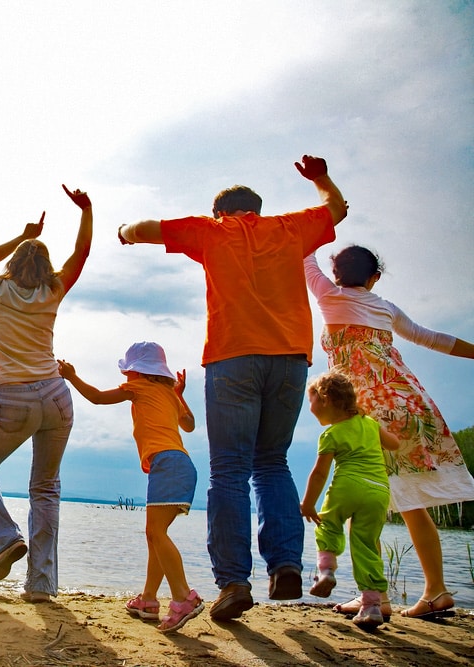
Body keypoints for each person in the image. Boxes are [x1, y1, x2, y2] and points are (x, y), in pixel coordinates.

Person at [117, 155, 347, 620]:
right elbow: (337, 208)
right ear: (257, 210)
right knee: (272, 462)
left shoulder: (211, 230)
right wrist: (320, 178)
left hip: (231, 357)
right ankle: (284, 565)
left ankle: (234, 582)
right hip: (290, 360)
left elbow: (144, 229)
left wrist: (123, 231)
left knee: (228, 470)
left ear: (222, 212)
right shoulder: (290, 227)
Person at [304, 245, 474, 620]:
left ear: (336, 276)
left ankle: (376, 596)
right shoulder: (385, 307)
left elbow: (304, 255)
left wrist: (322, 209)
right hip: (410, 404)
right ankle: (436, 590)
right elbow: (433, 339)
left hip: (370, 410)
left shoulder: (328, 294)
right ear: (374, 278)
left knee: (361, 499)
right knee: (411, 503)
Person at [0, 184, 92, 604]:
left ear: (15, 262)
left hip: (13, 399)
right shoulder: (52, 292)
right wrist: (86, 211)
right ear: (45, 268)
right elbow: (82, 255)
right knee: (45, 488)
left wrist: (23, 234)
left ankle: (4, 540)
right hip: (56, 395)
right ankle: (40, 586)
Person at [58, 343, 203, 633]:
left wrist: (72, 376)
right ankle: (148, 600)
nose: (126, 374)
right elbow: (189, 425)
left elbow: (98, 398)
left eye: (128, 370)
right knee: (155, 537)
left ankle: (184, 597)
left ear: (137, 370)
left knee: (155, 533)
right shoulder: (167, 393)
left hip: (167, 464)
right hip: (181, 465)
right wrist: (179, 395)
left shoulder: (138, 388)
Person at [299, 371, 400, 629]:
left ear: (325, 400)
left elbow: (320, 473)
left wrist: (308, 503)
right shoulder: (370, 425)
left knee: (329, 523)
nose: (309, 407)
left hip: (347, 485)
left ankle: (327, 571)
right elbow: (394, 444)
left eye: (310, 400)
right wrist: (377, 427)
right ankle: (372, 606)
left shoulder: (331, 434)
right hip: (378, 491)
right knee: (366, 546)